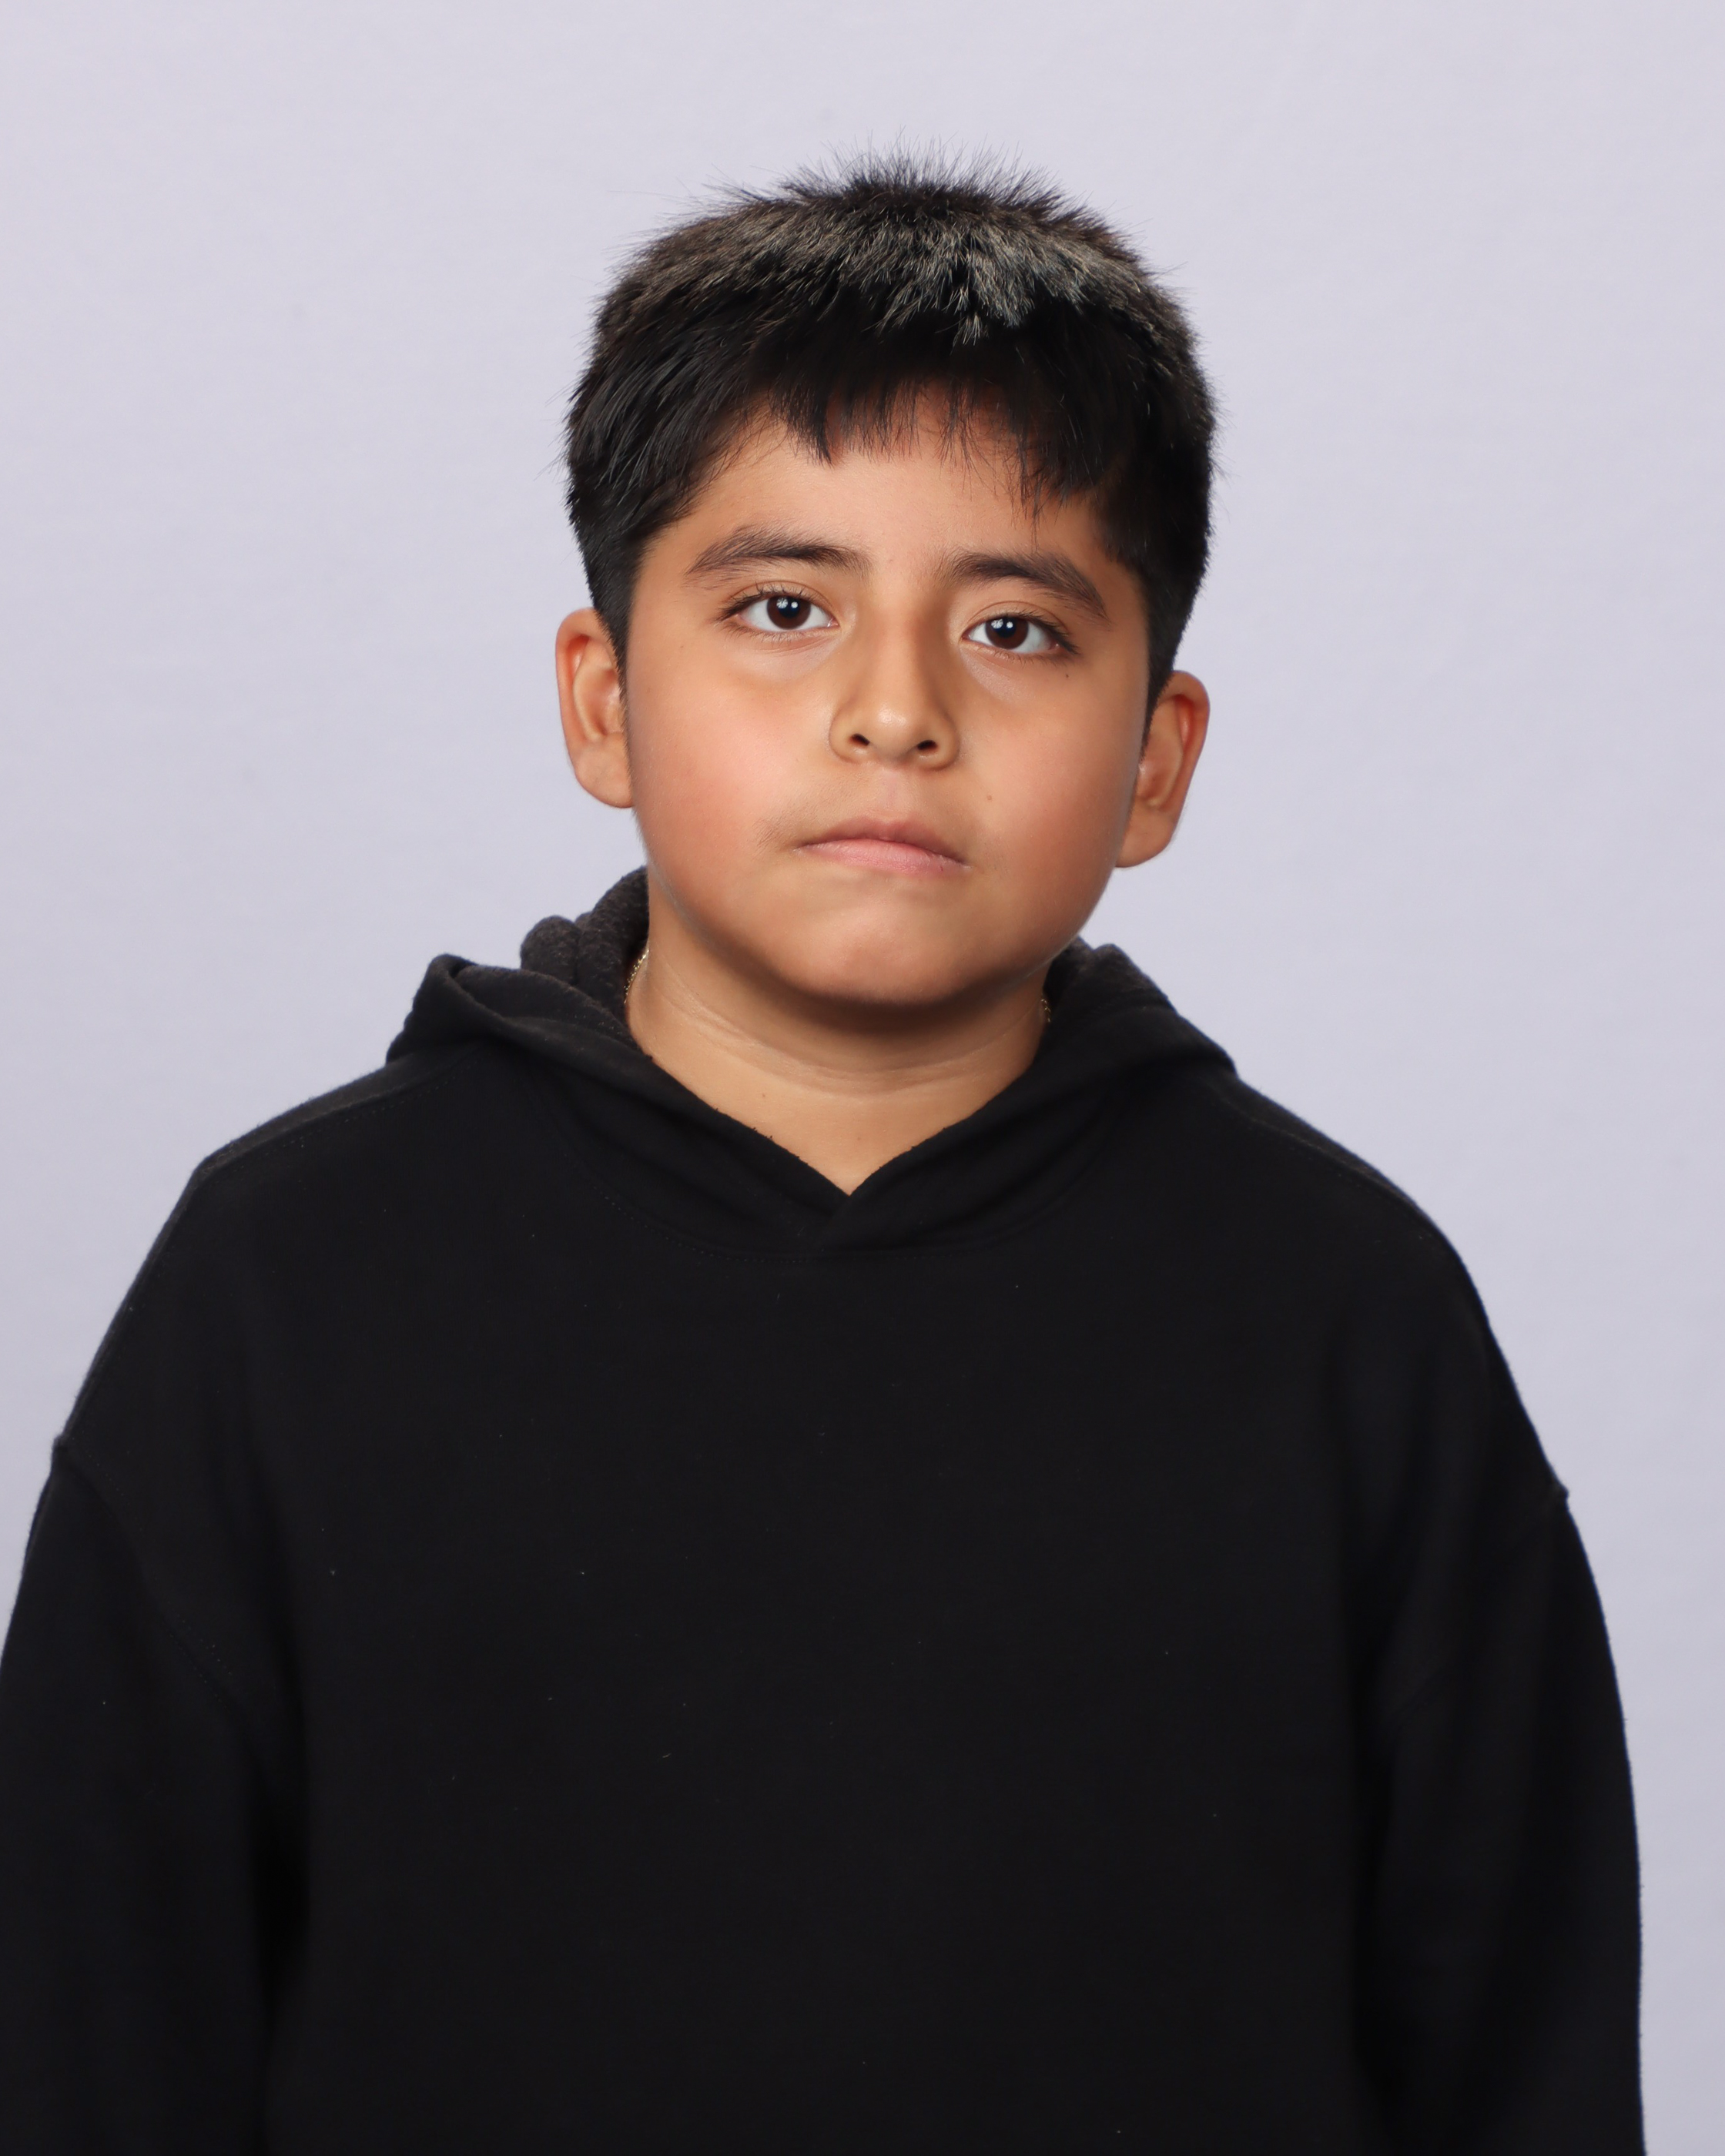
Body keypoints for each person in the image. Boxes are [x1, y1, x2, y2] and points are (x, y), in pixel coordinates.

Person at [0, 158, 1643, 2152]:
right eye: (785, 610)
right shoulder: (292, 1281)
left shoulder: (1343, 1318)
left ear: (1158, 756)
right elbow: (91, 2032)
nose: (895, 713)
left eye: (1017, 630)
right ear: (604, 700)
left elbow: (1520, 2061)